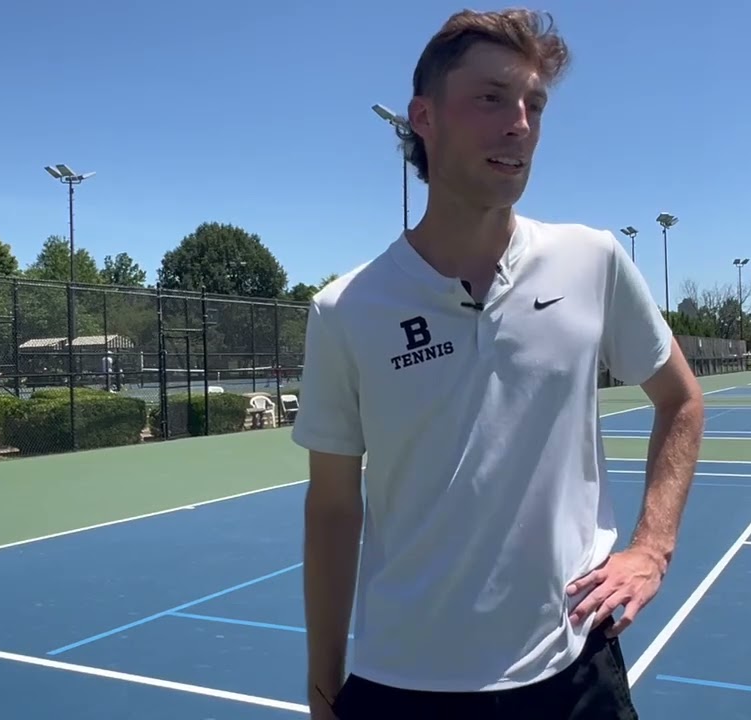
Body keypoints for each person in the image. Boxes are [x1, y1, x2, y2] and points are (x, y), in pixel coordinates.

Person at [291, 9, 705, 720]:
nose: (520, 124)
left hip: (573, 671)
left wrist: (653, 546)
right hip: (400, 685)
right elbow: (332, 508)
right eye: (491, 98)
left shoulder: (593, 260)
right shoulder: (345, 310)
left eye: (533, 105)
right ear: (424, 117)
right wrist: (323, 684)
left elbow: (682, 400)